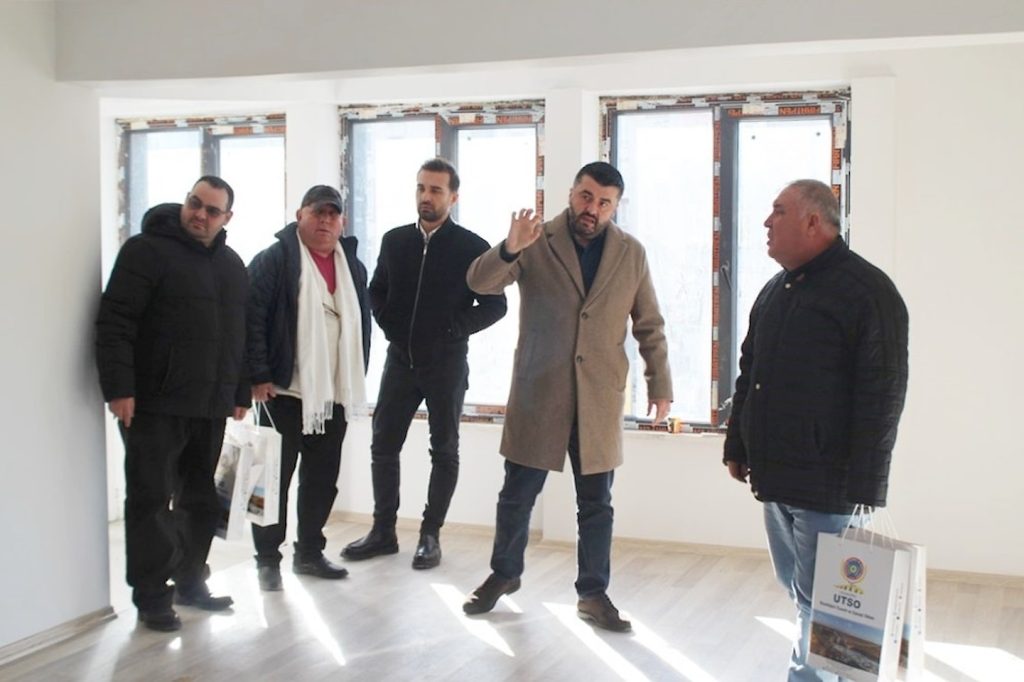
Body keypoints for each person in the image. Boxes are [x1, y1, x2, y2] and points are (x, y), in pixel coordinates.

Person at [461, 161, 672, 632]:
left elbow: (649, 324)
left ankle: (593, 594)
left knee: (596, 504)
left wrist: (660, 384)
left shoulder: (631, 253)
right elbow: (479, 282)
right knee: (517, 495)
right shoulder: (536, 241)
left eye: (604, 202)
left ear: (616, 207)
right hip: (540, 391)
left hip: (599, 398)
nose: (592, 208)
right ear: (572, 193)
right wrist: (510, 247)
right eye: (586, 196)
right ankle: (504, 573)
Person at [722, 179, 909, 681]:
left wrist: (867, 489)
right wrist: (738, 443)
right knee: (801, 592)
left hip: (829, 486)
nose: (766, 222)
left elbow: (883, 392)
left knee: (823, 603)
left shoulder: (868, 292)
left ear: (812, 222)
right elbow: (750, 373)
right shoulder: (775, 291)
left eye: (778, 211)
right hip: (776, 480)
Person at [96, 176, 249, 632]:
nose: (199, 214)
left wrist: (238, 392)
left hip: (210, 405)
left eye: (211, 210)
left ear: (227, 218)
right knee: (150, 500)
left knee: (201, 501)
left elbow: (238, 335)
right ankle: (151, 596)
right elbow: (115, 321)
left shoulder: (232, 265)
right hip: (154, 403)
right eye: (194, 203)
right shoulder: (145, 251)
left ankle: (190, 581)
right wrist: (119, 388)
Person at [341, 158, 506, 570]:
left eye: (435, 190)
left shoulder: (471, 247)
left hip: (446, 363)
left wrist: (453, 329)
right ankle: (383, 531)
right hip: (400, 360)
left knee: (444, 449)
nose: (426, 197)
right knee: (383, 445)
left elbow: (495, 305)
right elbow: (376, 291)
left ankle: (430, 536)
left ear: (453, 197)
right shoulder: (395, 241)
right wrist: (389, 324)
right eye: (421, 188)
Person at [246, 185, 371, 591]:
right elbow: (252, 318)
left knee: (321, 480)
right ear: (300, 215)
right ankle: (267, 560)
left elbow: (362, 324)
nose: (325, 221)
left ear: (342, 222)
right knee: (270, 481)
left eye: (333, 214)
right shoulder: (274, 260)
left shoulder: (353, 267)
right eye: (318, 213)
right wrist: (258, 374)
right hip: (281, 393)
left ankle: (310, 553)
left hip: (332, 395)